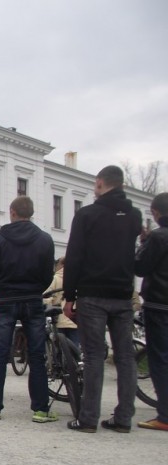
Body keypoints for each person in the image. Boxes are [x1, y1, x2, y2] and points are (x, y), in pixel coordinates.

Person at [63, 165, 142, 433]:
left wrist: (69, 295)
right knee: (126, 357)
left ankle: (88, 418)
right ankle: (123, 418)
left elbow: (74, 256)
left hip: (93, 292)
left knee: (95, 355)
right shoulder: (134, 216)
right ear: (121, 184)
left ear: (99, 184)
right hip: (122, 292)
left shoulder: (87, 215)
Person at [0, 196, 55, 422]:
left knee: (1, 353)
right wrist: (35, 289)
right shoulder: (45, 239)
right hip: (32, 298)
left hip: (7, 299)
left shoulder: (0, 238)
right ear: (31, 213)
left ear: (11, 212)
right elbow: (47, 275)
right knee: (37, 354)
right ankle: (41, 409)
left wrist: (1, 290)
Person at [134, 192, 168, 431]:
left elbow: (140, 267)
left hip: (159, 304)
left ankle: (165, 415)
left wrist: (143, 244)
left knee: (160, 358)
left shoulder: (158, 237)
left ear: (155, 213)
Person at [44, 257, 79, 347]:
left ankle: (59, 360)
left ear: (61, 265)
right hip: (75, 319)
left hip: (59, 317)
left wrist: (49, 302)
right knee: (74, 346)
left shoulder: (56, 278)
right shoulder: (79, 278)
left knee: (59, 345)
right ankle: (75, 360)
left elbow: (46, 295)